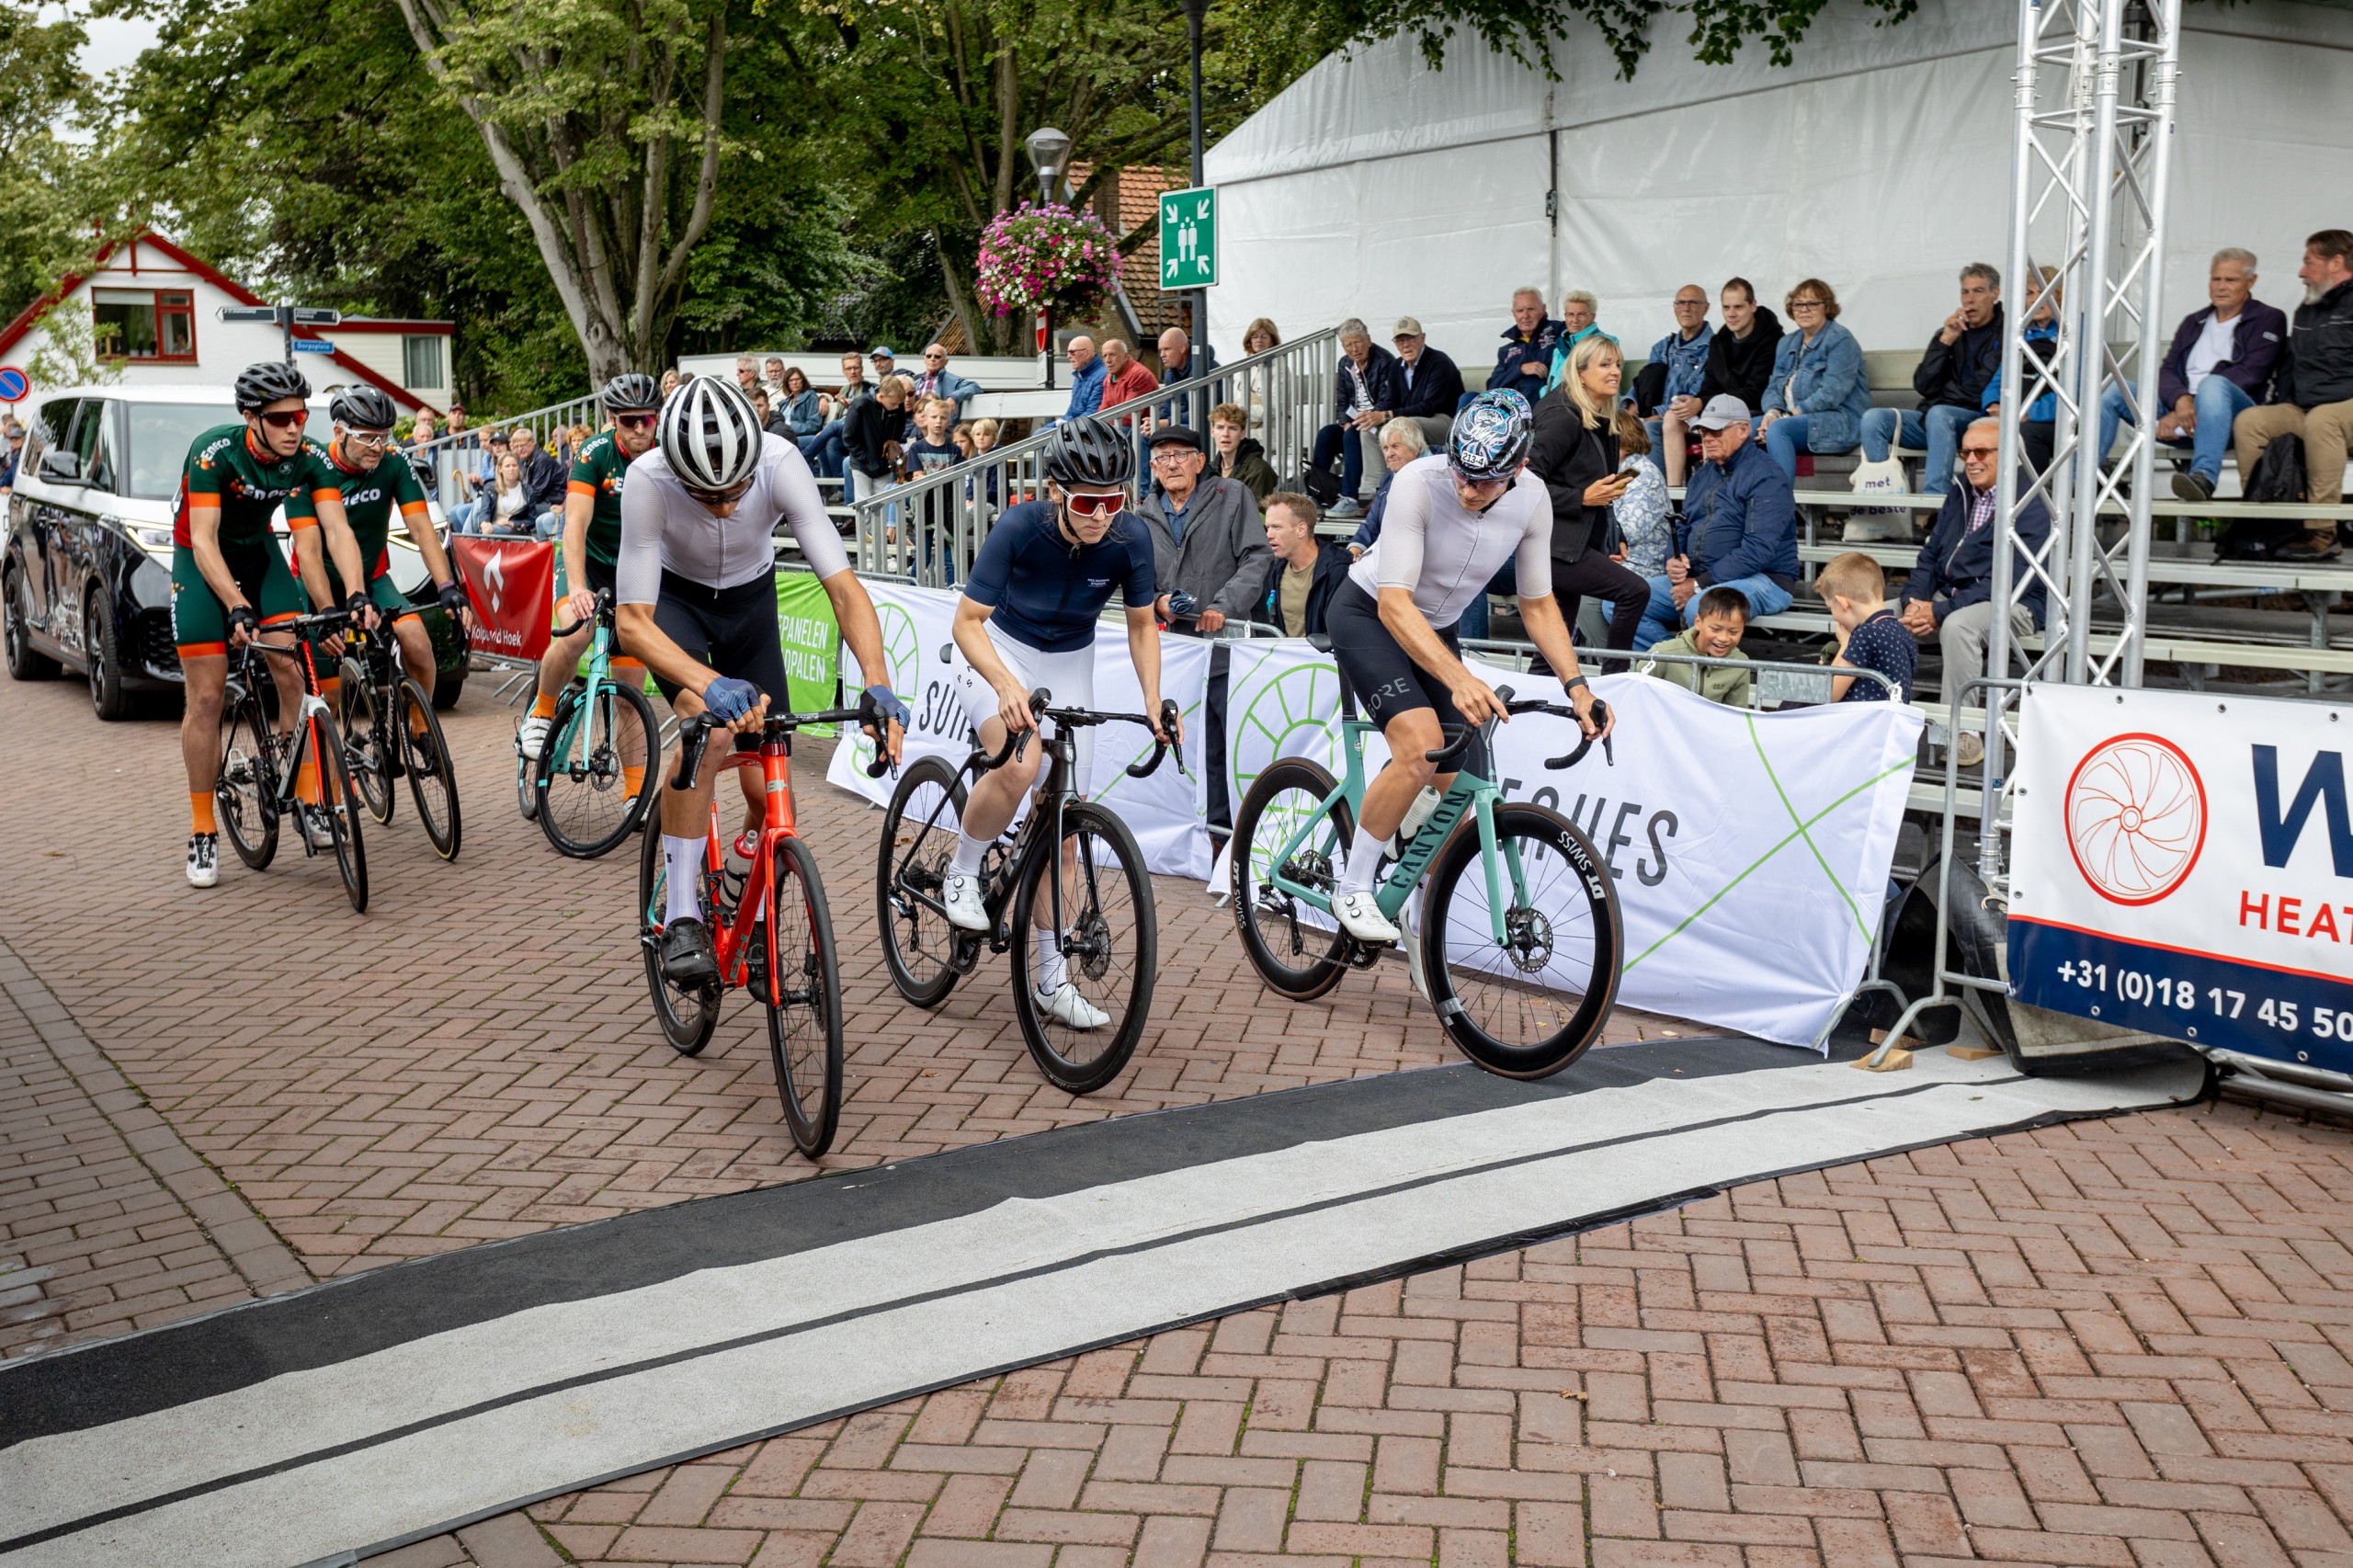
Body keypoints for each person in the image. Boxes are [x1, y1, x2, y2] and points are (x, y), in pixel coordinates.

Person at [618, 376, 904, 984]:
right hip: (677, 605)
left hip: (751, 605)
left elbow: (843, 589)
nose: (724, 506)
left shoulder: (781, 461)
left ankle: (741, 882)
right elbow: (633, 623)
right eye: (706, 495)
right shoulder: (647, 479)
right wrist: (707, 682)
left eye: (736, 490)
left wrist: (876, 682)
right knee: (709, 731)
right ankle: (683, 915)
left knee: (767, 787)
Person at [1322, 390, 1608, 944]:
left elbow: (1536, 604)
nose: (1468, 489)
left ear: (1519, 469)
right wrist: (1459, 677)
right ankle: (1352, 885)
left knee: (1460, 782)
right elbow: (1395, 604)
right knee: (1420, 745)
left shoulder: (1534, 499)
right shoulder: (1418, 482)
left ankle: (1415, 906)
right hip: (1369, 612)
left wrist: (1577, 687)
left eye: (1485, 481)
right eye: (1461, 473)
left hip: (1436, 627)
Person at [937, 419, 1174, 1027]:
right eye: (1087, 503)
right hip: (1000, 649)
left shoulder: (1130, 537)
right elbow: (966, 622)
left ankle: (1051, 980)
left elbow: (1142, 625)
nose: (1102, 516)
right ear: (1055, 492)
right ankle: (963, 869)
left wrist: (1153, 699)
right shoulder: (1021, 526)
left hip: (1070, 660)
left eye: (1114, 500)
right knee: (1023, 763)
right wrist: (1004, 684)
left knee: (1065, 827)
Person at [174, 362, 378, 888]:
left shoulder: (308, 458)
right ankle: (202, 829)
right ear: (251, 418)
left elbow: (337, 531)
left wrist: (355, 591)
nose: (293, 428)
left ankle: (308, 796)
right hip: (201, 564)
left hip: (259, 556)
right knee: (207, 698)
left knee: (294, 671)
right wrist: (235, 605)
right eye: (280, 418)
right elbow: (204, 539)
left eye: (300, 417)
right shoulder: (214, 452)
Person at [518, 374, 664, 780]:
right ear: (613, 418)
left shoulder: (667, 457)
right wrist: (578, 585)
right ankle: (541, 713)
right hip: (588, 562)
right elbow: (576, 524)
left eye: (648, 420)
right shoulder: (595, 453)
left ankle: (633, 795)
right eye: (630, 420)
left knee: (630, 695)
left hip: (633, 575)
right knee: (576, 634)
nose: (640, 429)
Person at [306, 386, 472, 725]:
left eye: (383, 437)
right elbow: (306, 549)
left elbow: (422, 528)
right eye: (367, 437)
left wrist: (447, 587)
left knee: (419, 647)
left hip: (372, 579)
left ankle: (420, 730)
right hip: (319, 583)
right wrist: (325, 608)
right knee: (329, 700)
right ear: (339, 432)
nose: (378, 447)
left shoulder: (394, 461)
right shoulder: (315, 466)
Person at [2097, 247, 2285, 502]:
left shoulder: (2268, 318)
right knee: (2115, 390)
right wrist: (2180, 401)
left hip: (2233, 420)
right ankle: (2081, 479)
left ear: (2251, 282)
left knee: (2214, 384)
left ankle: (2203, 477)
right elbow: (2167, 370)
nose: (2221, 287)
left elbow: (2251, 373)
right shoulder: (2194, 322)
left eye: (2231, 280)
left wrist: (2187, 407)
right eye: (2216, 279)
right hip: (2179, 416)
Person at [1898, 418, 2052, 726]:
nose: (1970, 460)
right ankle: (1879, 716)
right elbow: (1930, 556)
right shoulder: (1960, 491)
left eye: (1980, 452)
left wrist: (1940, 611)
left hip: (2018, 603)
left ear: (2008, 455)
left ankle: (1962, 732)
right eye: (1964, 452)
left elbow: (2011, 581)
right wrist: (1913, 601)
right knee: (1877, 615)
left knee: (1958, 626)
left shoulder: (2033, 502)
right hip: (1952, 596)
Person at [1635, 395, 1798, 649]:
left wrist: (1698, 584)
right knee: (1624, 600)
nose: (1708, 438)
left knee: (1701, 608)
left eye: (1717, 431)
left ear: (1743, 430)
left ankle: (1690, 665)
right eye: (1703, 431)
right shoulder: (1702, 475)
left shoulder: (1767, 476)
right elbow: (1682, 526)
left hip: (1766, 579)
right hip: (1705, 577)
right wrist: (1674, 559)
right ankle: (1672, 663)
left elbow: (1757, 550)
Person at [2234, 229, 2353, 558]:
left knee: (2324, 420)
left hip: (2342, 410)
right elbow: (2292, 364)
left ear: (2336, 263)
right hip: (2307, 408)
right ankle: (2268, 526)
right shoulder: (2307, 309)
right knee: (2251, 421)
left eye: (2309, 262)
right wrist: (2285, 402)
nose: (2301, 271)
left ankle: (2321, 532)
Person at [1529, 334, 1650, 654]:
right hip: (1553, 547)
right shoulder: (1560, 416)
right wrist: (1580, 498)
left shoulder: (1602, 419)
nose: (1616, 372)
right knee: (1634, 591)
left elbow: (1600, 490)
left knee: (1554, 652)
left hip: (1569, 545)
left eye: (1618, 365)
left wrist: (1615, 534)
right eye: (1605, 365)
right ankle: (1616, 674)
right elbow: (1522, 483)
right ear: (1580, 373)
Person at [1861, 263, 2005, 496]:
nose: (1969, 299)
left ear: (1995, 293)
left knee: (1940, 414)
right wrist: (1945, 342)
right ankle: (1881, 501)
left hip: (1976, 419)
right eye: (1965, 292)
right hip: (1933, 419)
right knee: (1874, 419)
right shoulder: (1949, 332)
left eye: (1978, 291)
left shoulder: (2006, 333)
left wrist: (1942, 397)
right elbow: (1923, 385)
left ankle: (1935, 501)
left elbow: (1979, 389)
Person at [1130, 425, 1268, 633]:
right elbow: (1137, 576)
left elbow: (1257, 556)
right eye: (1163, 458)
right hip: (1174, 639)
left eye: (1181, 455)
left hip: (1228, 632)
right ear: (1154, 468)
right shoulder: (1144, 515)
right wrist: (1157, 602)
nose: (1172, 465)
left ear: (1200, 462)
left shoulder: (1232, 495)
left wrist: (1223, 606)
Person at [1660, 279, 1782, 486]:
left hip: (1752, 412)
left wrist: (1703, 403)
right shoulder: (1719, 341)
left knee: (1713, 419)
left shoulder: (1772, 340)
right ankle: (1674, 494)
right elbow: (1709, 385)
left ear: (1753, 306)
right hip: (1717, 409)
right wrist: (1693, 402)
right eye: (1726, 307)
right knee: (1673, 417)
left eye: (1738, 307)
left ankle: (1713, 489)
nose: (1731, 314)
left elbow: (1756, 392)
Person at [1758, 278, 1870, 482]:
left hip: (1839, 422)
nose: (1804, 309)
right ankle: (1740, 497)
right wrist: (1772, 413)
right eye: (1798, 304)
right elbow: (1774, 386)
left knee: (1778, 430)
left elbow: (1832, 392)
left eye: (1812, 303)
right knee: (1738, 430)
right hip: (1791, 420)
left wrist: (1789, 415)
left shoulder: (1840, 339)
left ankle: (1780, 498)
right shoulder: (1786, 342)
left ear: (1826, 307)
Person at [1313, 319, 1403, 517]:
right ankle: (1316, 493)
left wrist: (1360, 421)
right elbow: (1342, 398)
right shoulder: (1345, 363)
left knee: (1353, 433)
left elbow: (1387, 400)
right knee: (1326, 434)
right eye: (1348, 345)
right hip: (1354, 423)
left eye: (1357, 342)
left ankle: (1350, 498)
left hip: (1379, 423)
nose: (1354, 349)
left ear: (1368, 340)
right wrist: (1344, 421)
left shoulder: (1385, 361)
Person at [1980, 266, 2063, 475]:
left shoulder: (2072, 332)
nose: (2036, 299)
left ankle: (2030, 493)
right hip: (2018, 414)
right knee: (1980, 430)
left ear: (2060, 296)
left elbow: (2075, 392)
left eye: (2044, 292)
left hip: (2056, 420)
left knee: (2025, 432)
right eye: (2029, 293)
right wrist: (1993, 403)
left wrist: (2028, 412)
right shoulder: (2021, 333)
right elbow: (1999, 379)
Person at [1251, 491, 1351, 637]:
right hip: (1281, 651)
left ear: (1301, 530)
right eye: (1268, 528)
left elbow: (1341, 632)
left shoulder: (1339, 571)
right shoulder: (1273, 568)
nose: (1269, 535)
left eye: (1277, 527)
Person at [1819, 552, 1914, 703]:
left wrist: (1845, 645)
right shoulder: (1902, 631)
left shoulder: (1865, 634)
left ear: (1842, 604)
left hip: (1862, 717)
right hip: (1892, 716)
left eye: (1831, 607)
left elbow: (1828, 694)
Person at [1637, 586, 1752, 707]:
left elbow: (1736, 712)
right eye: (1715, 629)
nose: (1724, 638)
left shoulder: (1740, 663)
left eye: (1733, 632)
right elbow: (1634, 693)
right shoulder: (1663, 653)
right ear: (1698, 622)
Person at [1348, 418, 1429, 558]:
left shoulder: (1438, 474)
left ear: (1416, 447)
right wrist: (1353, 551)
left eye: (1395, 446)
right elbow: (1372, 524)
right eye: (1385, 448)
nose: (1389, 454)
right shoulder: (1389, 478)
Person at [1635, 285, 1711, 426]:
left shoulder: (1715, 349)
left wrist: (1650, 419)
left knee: (1650, 427)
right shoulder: (1662, 347)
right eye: (1681, 303)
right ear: (1675, 309)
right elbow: (1643, 385)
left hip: (1690, 421)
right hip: (1651, 418)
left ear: (1706, 308)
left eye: (1693, 302)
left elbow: (1697, 397)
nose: (1686, 308)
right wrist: (1630, 411)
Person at [1610, 410, 1673, 579]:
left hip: (1640, 567)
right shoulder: (1616, 471)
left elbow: (1628, 532)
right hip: (1613, 561)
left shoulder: (1644, 475)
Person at [1391, 317, 1464, 448]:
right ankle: (1386, 462)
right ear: (1395, 344)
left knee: (1404, 426)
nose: (1405, 345)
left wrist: (1390, 414)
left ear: (1422, 338)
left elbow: (1429, 407)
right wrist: (1374, 415)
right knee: (1368, 431)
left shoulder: (1439, 362)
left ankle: (1412, 463)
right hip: (1408, 419)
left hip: (1445, 421)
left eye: (1410, 338)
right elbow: (1390, 401)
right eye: (1400, 341)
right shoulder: (1396, 366)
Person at [843, 375, 908, 505]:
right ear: (881, 396)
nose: (897, 407)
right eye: (893, 403)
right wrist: (865, 458)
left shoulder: (898, 406)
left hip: (883, 464)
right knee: (864, 505)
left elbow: (898, 431)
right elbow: (848, 437)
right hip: (861, 464)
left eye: (899, 404)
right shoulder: (860, 405)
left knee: (883, 505)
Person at [1489, 287, 1561, 401]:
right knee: (1468, 397)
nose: (1525, 315)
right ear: (1514, 314)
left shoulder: (1558, 330)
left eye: (1531, 309)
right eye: (1520, 310)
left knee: (1530, 385)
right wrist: (1520, 369)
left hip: (1545, 401)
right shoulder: (1505, 351)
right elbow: (1492, 387)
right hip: (1508, 404)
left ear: (1543, 309)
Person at [1209, 401, 1278, 500]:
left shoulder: (1259, 470)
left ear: (1242, 434)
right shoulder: (1210, 469)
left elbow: (1256, 509)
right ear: (1212, 432)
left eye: (1233, 428)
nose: (1225, 434)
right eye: (1220, 428)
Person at [1540, 290, 1604, 392]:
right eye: (1570, 314)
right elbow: (1550, 384)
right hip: (1557, 400)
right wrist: (1545, 396)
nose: (1575, 320)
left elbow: (1601, 385)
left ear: (1592, 317)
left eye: (1581, 314)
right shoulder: (1559, 348)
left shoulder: (1606, 343)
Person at [510, 426, 567, 537]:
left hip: (553, 503)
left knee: (511, 510)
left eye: (522, 445)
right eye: (516, 446)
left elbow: (537, 494)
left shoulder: (542, 460)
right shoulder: (524, 460)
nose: (519, 449)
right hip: (540, 502)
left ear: (532, 443)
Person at [1097, 339, 1159, 428]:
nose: (1108, 360)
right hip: (1119, 424)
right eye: (1104, 356)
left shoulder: (1138, 375)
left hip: (1142, 428)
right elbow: (1103, 410)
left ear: (1126, 357)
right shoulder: (1109, 378)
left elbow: (1130, 416)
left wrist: (1105, 424)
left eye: (1112, 354)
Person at [912, 343, 980, 421]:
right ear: (924, 359)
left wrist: (953, 397)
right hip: (917, 426)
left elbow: (974, 387)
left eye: (937, 357)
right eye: (929, 356)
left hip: (942, 426)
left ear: (945, 361)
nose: (932, 359)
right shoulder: (915, 382)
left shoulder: (952, 380)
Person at [1240, 318, 1281, 433]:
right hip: (1246, 426)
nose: (1259, 340)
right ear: (1249, 341)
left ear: (1272, 341)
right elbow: (1236, 399)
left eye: (1264, 336)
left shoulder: (1279, 369)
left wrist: (1239, 412)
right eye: (1254, 336)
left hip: (1271, 430)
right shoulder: (1245, 368)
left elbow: (1271, 410)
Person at [472, 452, 530, 534]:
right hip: (492, 527)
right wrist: (484, 524)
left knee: (493, 531)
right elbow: (485, 511)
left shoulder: (527, 489)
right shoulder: (490, 487)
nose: (511, 469)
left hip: (515, 530)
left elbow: (531, 520)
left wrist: (511, 523)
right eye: (507, 466)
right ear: (500, 469)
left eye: (514, 465)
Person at [1061, 335, 1108, 423]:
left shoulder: (1102, 376)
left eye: (1072, 352)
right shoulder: (1079, 376)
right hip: (1076, 425)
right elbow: (1071, 412)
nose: (1068, 356)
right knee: (1041, 430)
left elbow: (1092, 414)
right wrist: (1055, 425)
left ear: (1087, 353)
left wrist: (1066, 425)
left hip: (1085, 427)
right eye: (1068, 352)